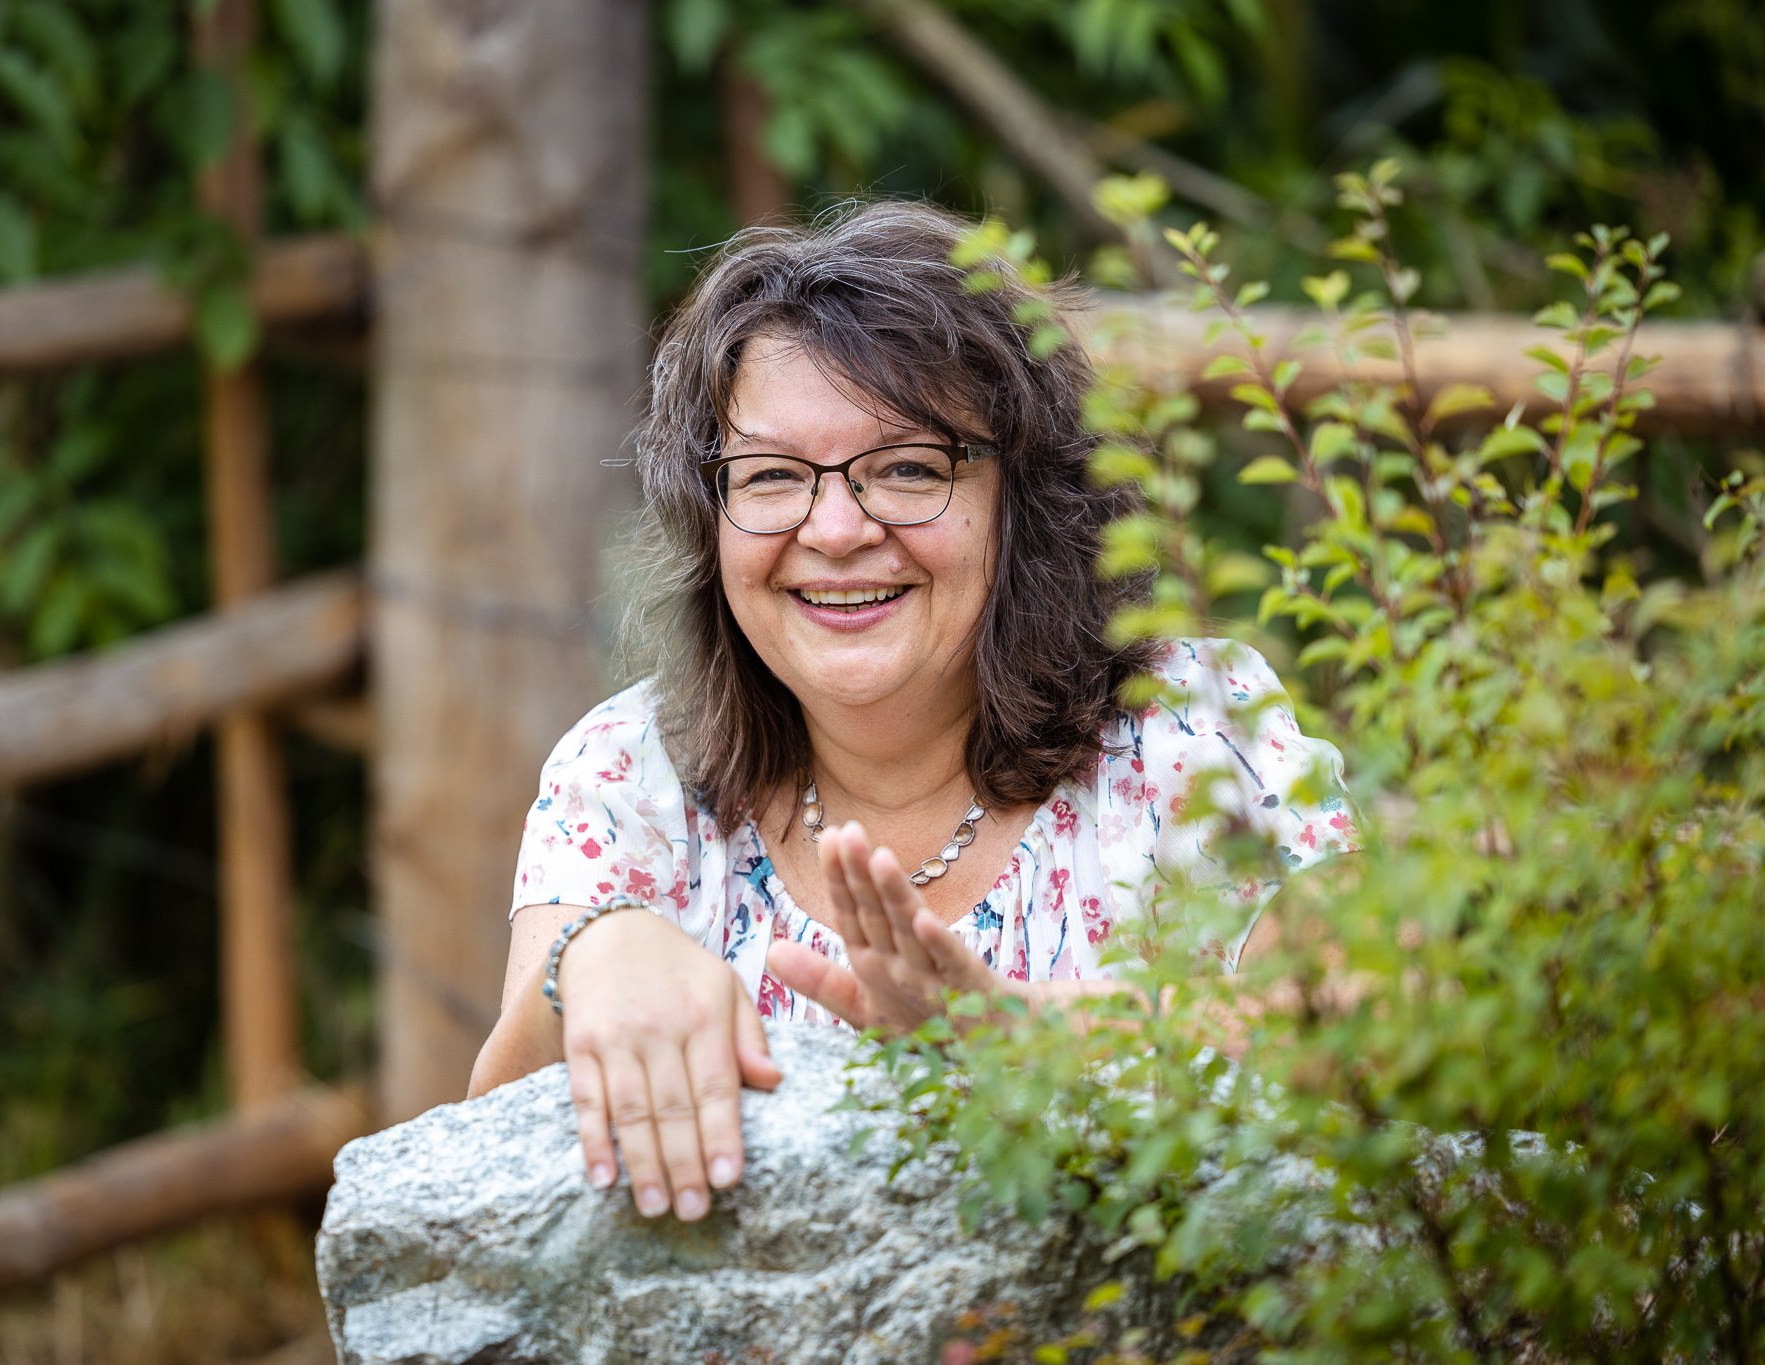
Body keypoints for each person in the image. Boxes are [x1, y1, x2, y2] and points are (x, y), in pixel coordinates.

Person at [467, 201, 1357, 1227]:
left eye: (906, 468)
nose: (835, 529)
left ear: (1020, 499)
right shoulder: (634, 767)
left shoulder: (1189, 724)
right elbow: (491, 1139)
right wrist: (594, 953)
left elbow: (1366, 1023)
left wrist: (1025, 1035)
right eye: (769, 477)